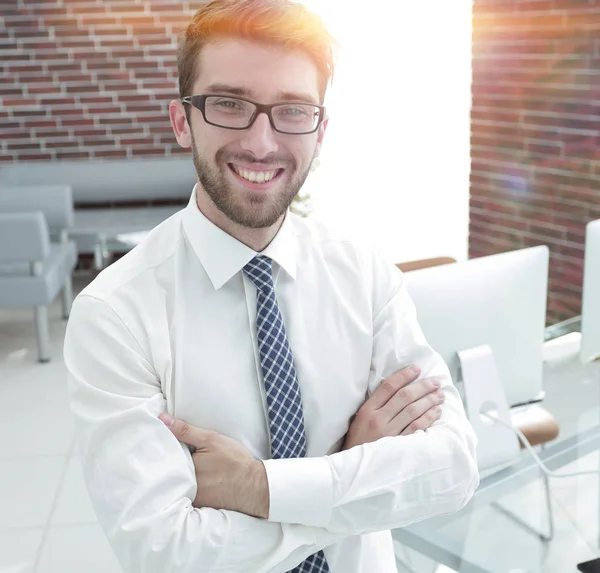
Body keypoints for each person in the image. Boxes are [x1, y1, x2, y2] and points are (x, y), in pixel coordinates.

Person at [63, 1, 480, 572]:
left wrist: (261, 487)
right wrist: (353, 471)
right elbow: (167, 551)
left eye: (291, 110)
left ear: (321, 129)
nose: (261, 143)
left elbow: (451, 470)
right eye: (230, 104)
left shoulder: (365, 275)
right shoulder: (115, 314)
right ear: (183, 120)